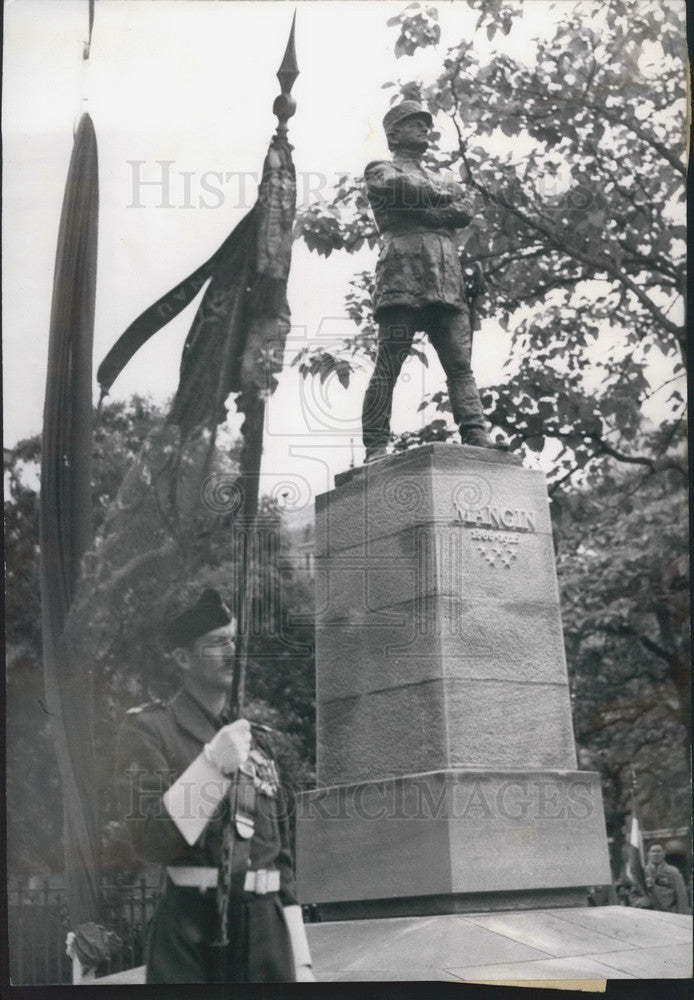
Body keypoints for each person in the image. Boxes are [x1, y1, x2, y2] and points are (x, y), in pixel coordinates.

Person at [116, 589, 314, 983]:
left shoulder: (258, 742)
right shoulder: (149, 730)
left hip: (267, 937)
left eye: (234, 640)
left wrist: (301, 962)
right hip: (193, 935)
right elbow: (151, 839)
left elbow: (280, 860)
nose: (232, 651)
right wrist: (211, 766)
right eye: (217, 642)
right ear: (183, 658)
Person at [362, 99, 496, 463]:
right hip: (402, 272)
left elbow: (466, 207)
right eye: (414, 123)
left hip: (445, 275)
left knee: (459, 364)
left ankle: (476, 433)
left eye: (425, 123)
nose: (424, 128)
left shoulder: (442, 177)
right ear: (394, 135)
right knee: (390, 360)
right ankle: (375, 445)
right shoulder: (380, 170)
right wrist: (441, 208)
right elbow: (402, 188)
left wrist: (427, 210)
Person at [628, 843, 689, 913]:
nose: (656, 854)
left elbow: (681, 896)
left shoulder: (673, 872)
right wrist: (641, 901)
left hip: (669, 912)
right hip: (649, 914)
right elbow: (633, 897)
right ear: (648, 854)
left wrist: (681, 915)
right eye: (653, 851)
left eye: (659, 851)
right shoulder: (642, 873)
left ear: (664, 853)